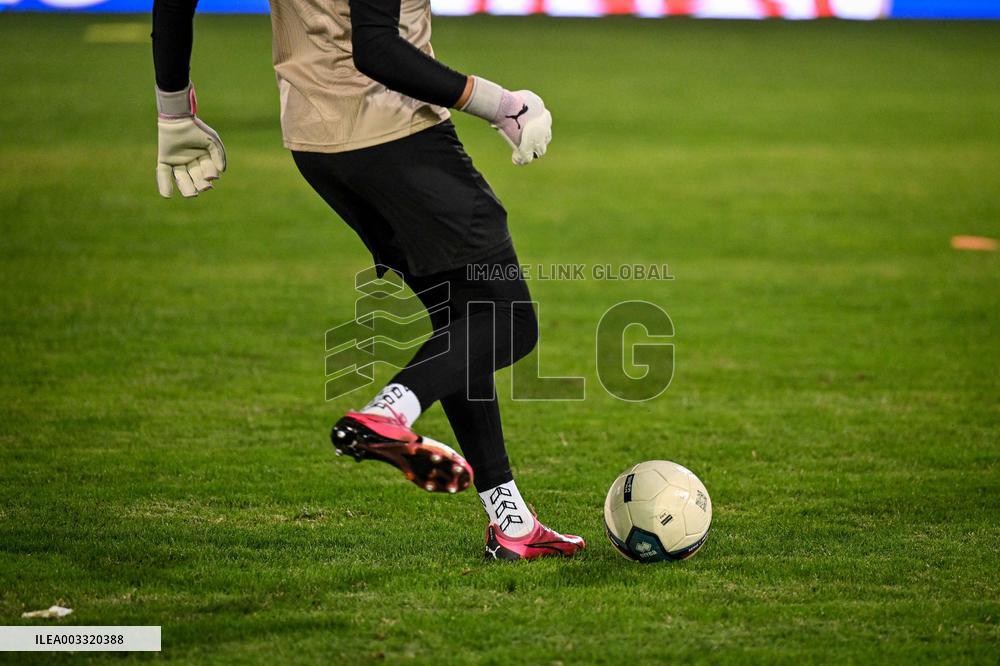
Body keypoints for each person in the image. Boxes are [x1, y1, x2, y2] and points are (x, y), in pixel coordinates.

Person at [152, 0, 584, 560]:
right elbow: (376, 49)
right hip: (394, 133)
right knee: (509, 321)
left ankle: (512, 521)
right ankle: (390, 413)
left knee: (461, 325)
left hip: (316, 141)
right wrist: (501, 103)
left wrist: (172, 110)